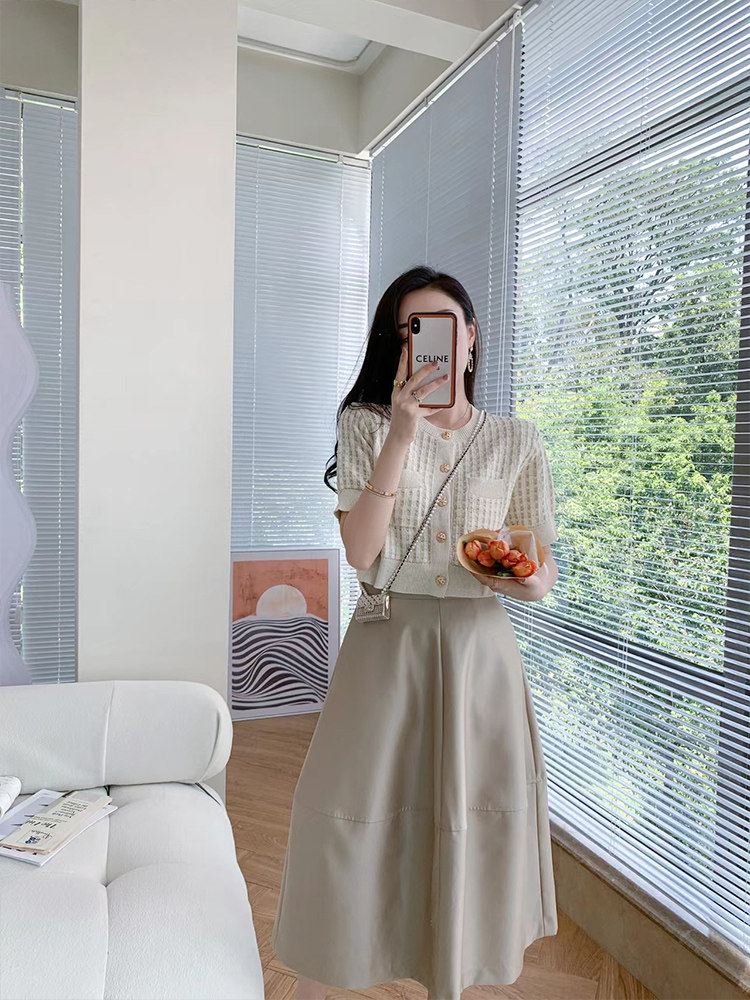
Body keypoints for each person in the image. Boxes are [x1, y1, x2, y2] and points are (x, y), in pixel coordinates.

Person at [271, 265, 560, 1000]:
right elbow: (362, 551)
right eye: (410, 332)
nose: (427, 345)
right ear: (397, 345)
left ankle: (449, 979)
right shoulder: (367, 425)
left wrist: (525, 579)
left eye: (443, 328)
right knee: (352, 814)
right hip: (386, 644)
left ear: (471, 340)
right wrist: (401, 437)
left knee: (469, 819)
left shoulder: (517, 440)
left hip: (479, 651)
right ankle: (327, 977)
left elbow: (541, 565)